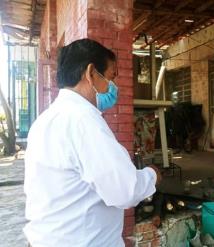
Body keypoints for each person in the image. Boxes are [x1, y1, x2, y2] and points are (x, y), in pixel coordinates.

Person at [24, 38, 161, 247]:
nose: (114, 87)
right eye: (110, 77)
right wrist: (152, 175)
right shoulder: (83, 121)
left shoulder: (45, 120)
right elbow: (125, 190)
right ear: (90, 73)